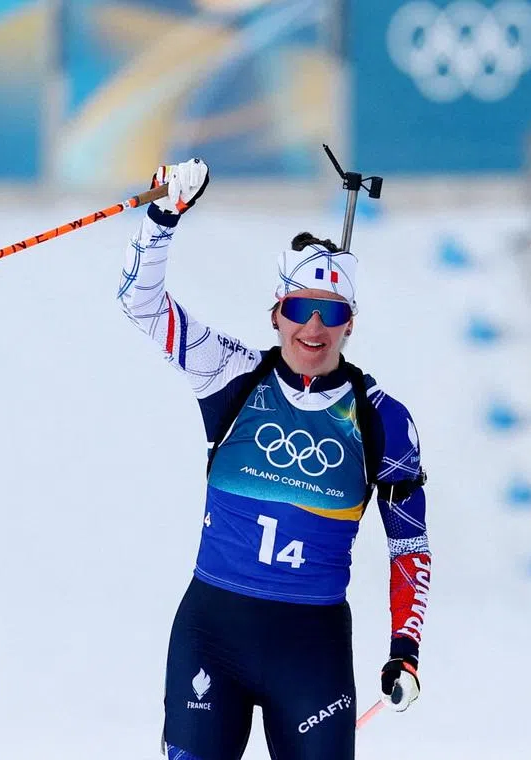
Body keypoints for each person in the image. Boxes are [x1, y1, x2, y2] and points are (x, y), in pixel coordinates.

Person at [119, 159, 431, 760]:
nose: (313, 328)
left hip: (310, 652)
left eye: (333, 313)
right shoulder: (232, 373)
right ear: (275, 314)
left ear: (350, 325)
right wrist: (163, 216)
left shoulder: (383, 419)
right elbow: (141, 304)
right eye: (299, 309)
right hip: (213, 634)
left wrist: (405, 649)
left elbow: (409, 548)